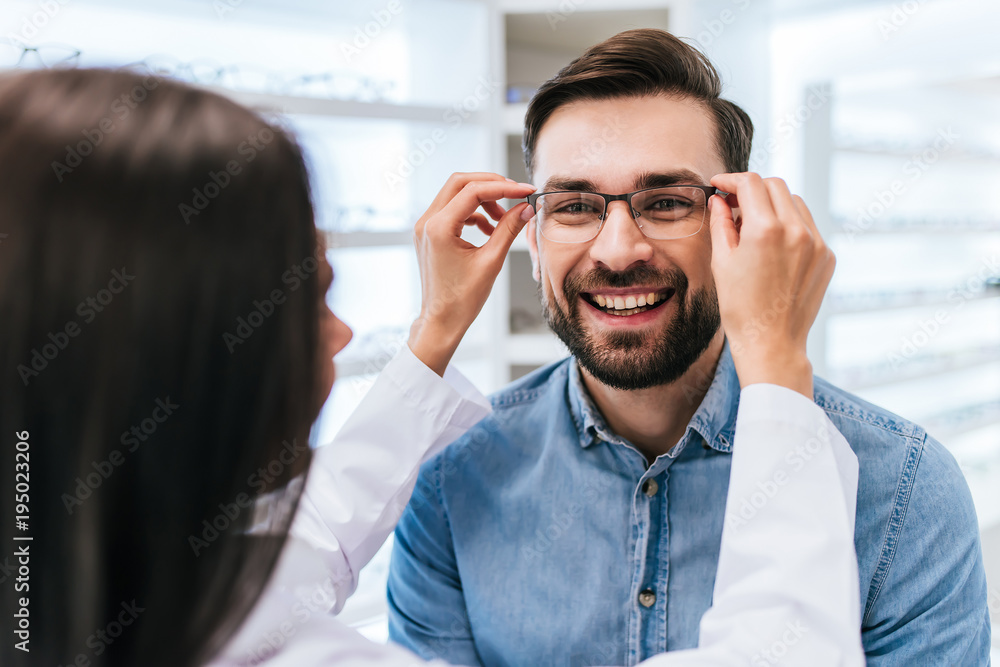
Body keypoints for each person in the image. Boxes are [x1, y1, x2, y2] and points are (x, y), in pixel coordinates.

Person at [0, 67, 858, 667]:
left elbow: (296, 551)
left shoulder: (73, 589)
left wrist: (437, 329)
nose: (337, 337)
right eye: (305, 301)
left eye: (666, 201)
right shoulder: (456, 493)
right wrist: (778, 363)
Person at [387, 28, 991, 666]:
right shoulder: (449, 484)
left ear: (741, 224)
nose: (618, 250)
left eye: (668, 202)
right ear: (533, 243)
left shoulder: (903, 490)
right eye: (574, 206)